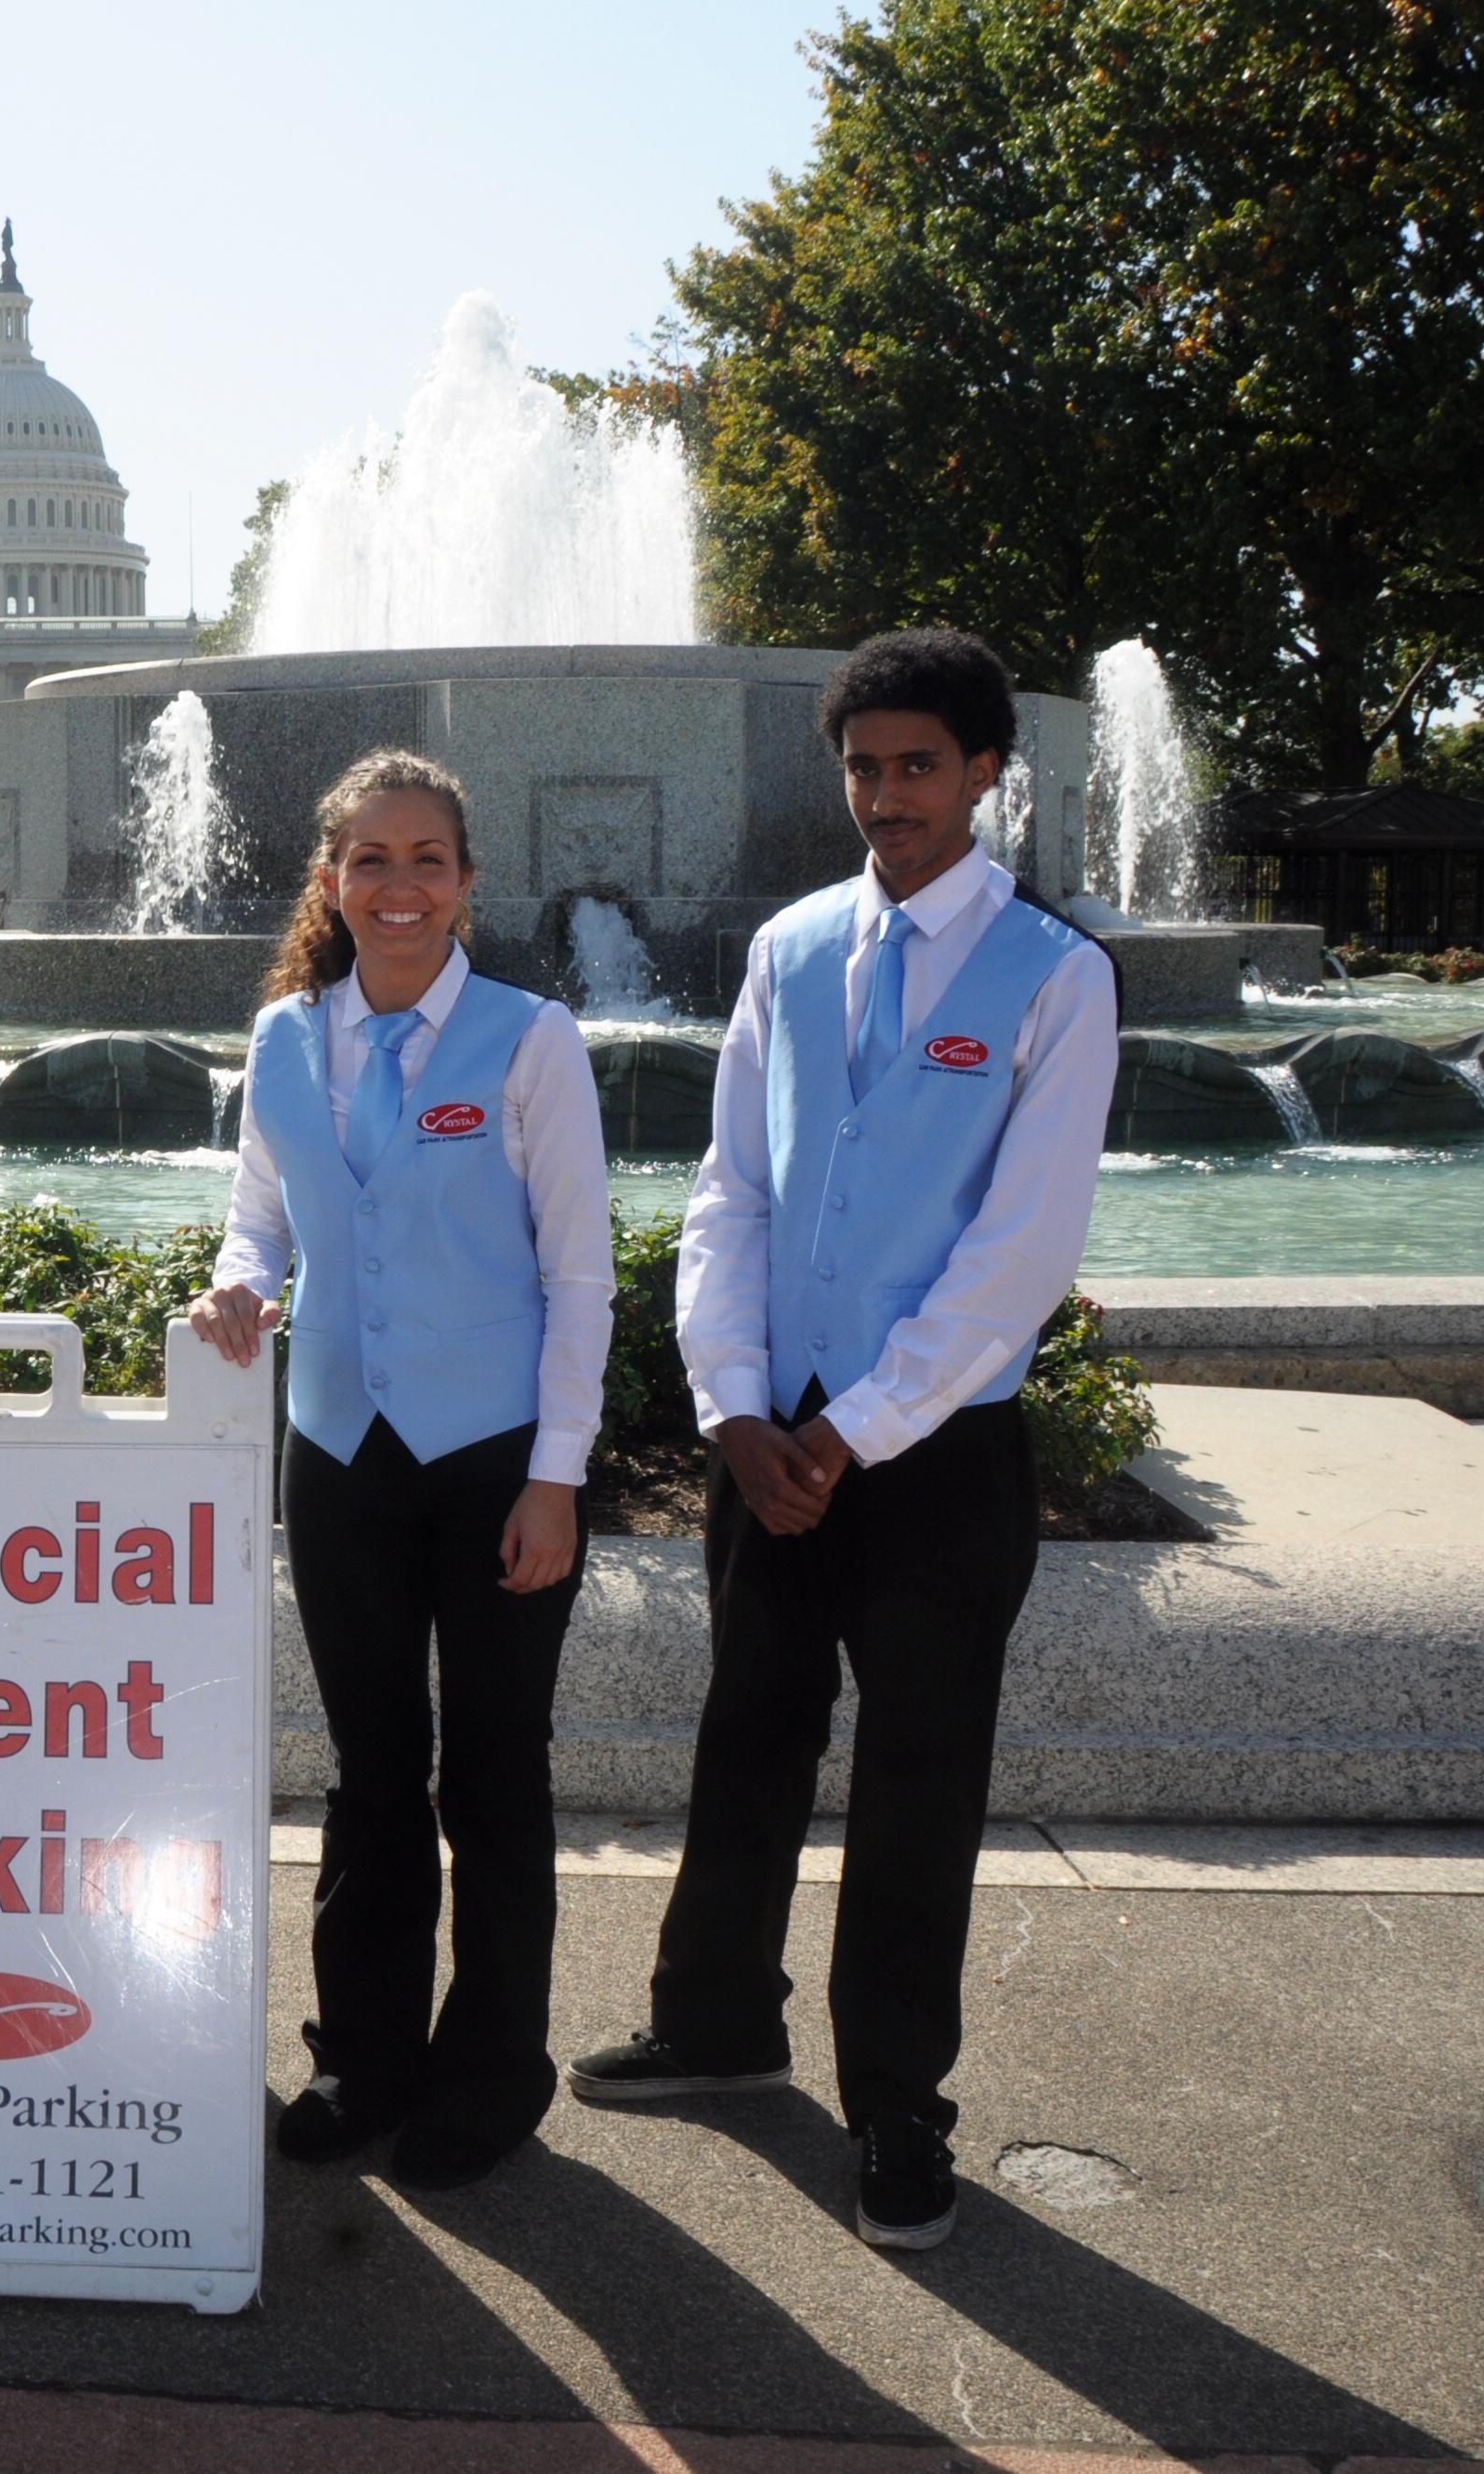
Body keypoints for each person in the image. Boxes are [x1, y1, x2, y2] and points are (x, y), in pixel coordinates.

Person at [566, 629, 1118, 2251]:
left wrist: (857, 1432)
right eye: (865, 767)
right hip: (773, 1440)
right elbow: (731, 1188)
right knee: (747, 1731)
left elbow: (1024, 1248)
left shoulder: (1057, 973)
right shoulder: (792, 948)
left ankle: (897, 2110)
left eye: (919, 766)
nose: (887, 794)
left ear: (985, 771)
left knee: (919, 1784)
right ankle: (719, 2020)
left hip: (938, 1455)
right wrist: (735, 1402)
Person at [187, 749, 612, 2192]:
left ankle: (494, 2071)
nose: (401, 884)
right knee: (371, 1773)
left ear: (467, 881)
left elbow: (581, 1274)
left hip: (496, 1460)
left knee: (494, 1775)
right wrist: (239, 1287)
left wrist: (558, 1476)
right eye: (371, 858)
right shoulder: (284, 1041)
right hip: (340, 1457)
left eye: (428, 857)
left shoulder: (530, 1037)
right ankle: (360, 2051)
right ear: (331, 882)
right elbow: (262, 1218)